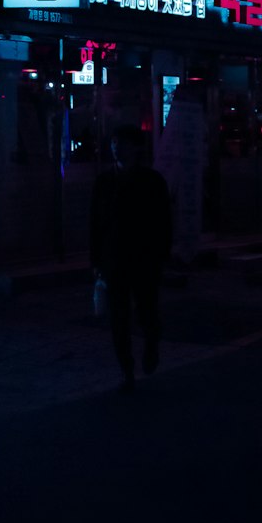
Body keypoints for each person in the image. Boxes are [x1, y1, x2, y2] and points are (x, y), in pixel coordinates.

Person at [90, 125, 172, 393]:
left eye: (122, 143)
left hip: (144, 258)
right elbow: (95, 224)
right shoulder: (103, 182)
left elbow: (163, 221)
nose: (116, 147)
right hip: (114, 260)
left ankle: (151, 345)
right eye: (114, 142)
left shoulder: (152, 181)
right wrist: (96, 261)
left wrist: (161, 256)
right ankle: (127, 370)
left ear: (135, 148)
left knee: (148, 311)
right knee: (118, 318)